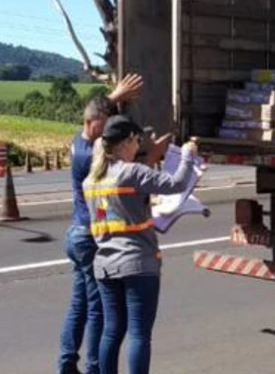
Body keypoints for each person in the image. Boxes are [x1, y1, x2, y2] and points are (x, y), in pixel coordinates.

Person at [58, 74, 169, 374]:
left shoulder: (78, 143)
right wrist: (113, 97)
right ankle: (92, 368)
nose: (108, 132)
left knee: (80, 304)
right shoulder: (88, 155)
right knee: (99, 313)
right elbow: (120, 177)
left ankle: (66, 364)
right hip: (89, 237)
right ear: (94, 123)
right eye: (106, 123)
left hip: (80, 234)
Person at [83, 115, 197, 374]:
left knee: (111, 331)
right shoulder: (132, 172)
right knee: (139, 334)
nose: (138, 146)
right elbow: (177, 183)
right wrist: (188, 155)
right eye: (136, 140)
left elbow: (118, 211)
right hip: (137, 264)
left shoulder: (92, 180)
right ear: (125, 143)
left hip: (105, 266)